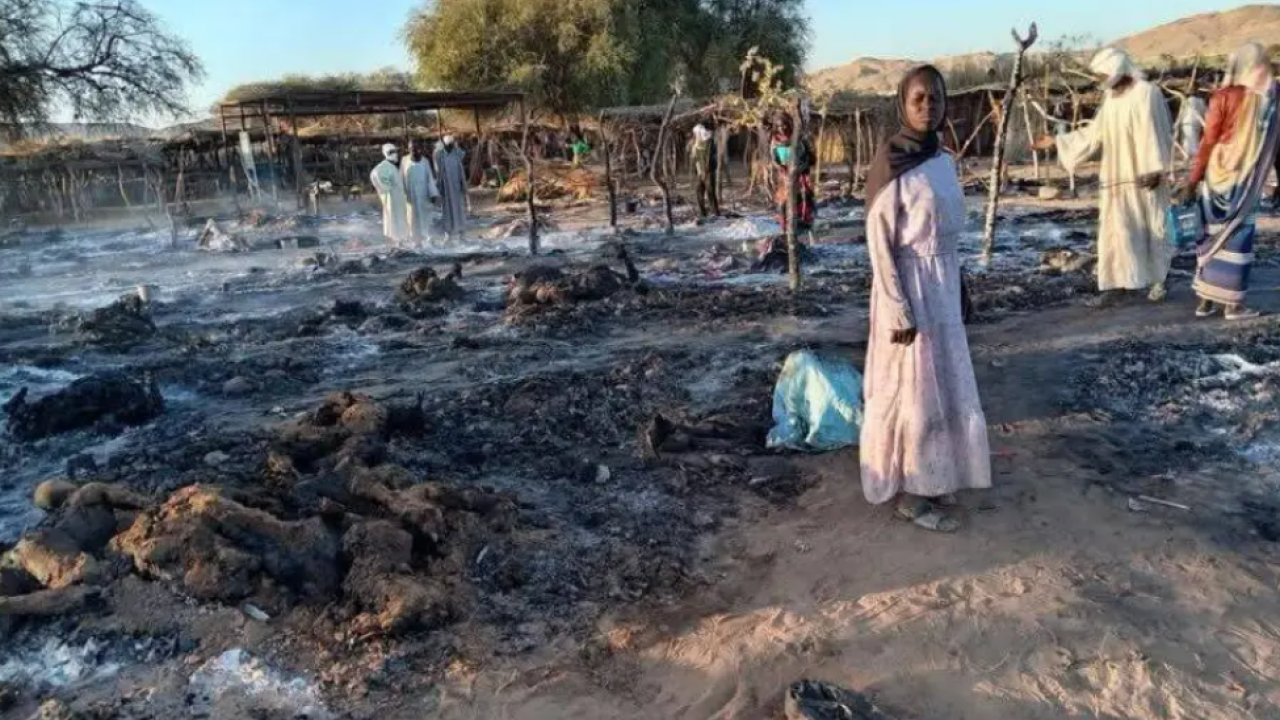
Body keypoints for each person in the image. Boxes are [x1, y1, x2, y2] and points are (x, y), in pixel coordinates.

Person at [860, 65, 991, 533]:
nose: (927, 106)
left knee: (944, 387)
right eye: (918, 99)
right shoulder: (891, 164)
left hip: (941, 287)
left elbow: (948, 236)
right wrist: (898, 307)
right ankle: (912, 496)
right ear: (903, 103)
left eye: (934, 98)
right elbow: (879, 243)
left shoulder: (943, 159)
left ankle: (936, 475)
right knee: (914, 392)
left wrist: (960, 287)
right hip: (909, 291)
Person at [1037, 47, 1175, 307]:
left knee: (1152, 228)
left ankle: (1159, 280)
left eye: (1102, 75)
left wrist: (1156, 169)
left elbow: (1157, 133)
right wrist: (1056, 141)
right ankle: (1118, 284)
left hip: (1145, 177)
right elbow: (1094, 134)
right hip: (1116, 177)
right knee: (1118, 231)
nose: (1101, 81)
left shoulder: (1147, 93)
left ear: (1116, 68)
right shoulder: (1111, 99)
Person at [1176, 43, 1280, 321]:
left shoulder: (1222, 97)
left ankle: (1205, 302)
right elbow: (1276, 144)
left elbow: (1208, 141)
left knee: (1211, 235)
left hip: (1215, 179)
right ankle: (1233, 305)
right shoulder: (1273, 98)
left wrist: (1192, 181)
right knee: (1238, 239)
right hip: (1247, 182)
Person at [770, 114, 815, 239]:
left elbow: (806, 158)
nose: (782, 128)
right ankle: (785, 226)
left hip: (799, 174)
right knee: (782, 202)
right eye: (779, 126)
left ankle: (805, 221)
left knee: (804, 196)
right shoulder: (775, 140)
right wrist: (781, 168)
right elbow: (774, 159)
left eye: (784, 125)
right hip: (784, 176)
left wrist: (797, 170)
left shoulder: (797, 139)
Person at [401, 140, 439, 246]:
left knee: (425, 216)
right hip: (410, 195)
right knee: (412, 218)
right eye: (411, 148)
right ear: (408, 149)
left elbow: (430, 178)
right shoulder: (404, 160)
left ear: (420, 149)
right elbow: (401, 178)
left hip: (423, 194)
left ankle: (427, 237)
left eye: (415, 148)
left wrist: (433, 193)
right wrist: (402, 194)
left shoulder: (425, 161)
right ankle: (415, 240)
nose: (413, 150)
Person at [369, 143, 409, 245]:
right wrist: (386, 187)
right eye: (391, 152)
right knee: (394, 220)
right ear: (386, 154)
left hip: (399, 198)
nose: (395, 154)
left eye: (395, 151)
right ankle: (397, 241)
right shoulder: (383, 166)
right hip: (392, 199)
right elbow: (375, 175)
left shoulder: (392, 166)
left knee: (400, 218)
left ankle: (401, 241)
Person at [434, 135, 468, 243]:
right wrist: (440, 146)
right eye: (448, 145)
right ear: (444, 145)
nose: (450, 147)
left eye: (451, 144)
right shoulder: (440, 155)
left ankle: (462, 235)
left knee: (459, 211)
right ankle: (448, 235)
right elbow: (435, 155)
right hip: (446, 189)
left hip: (457, 188)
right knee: (447, 212)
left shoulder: (457, 153)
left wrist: (456, 144)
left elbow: (463, 153)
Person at [691, 122, 720, 218]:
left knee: (710, 193)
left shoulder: (709, 142)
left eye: (697, 133)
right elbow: (694, 159)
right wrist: (695, 172)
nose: (696, 135)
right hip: (699, 173)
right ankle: (703, 214)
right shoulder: (696, 144)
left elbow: (708, 158)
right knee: (699, 193)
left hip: (708, 172)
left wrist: (705, 171)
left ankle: (716, 213)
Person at [1178, 92, 1209, 160]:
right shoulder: (1201, 101)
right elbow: (1205, 112)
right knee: (1193, 141)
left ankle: (1190, 158)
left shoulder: (1188, 100)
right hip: (1195, 123)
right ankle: (1191, 158)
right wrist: (1204, 123)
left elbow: (1182, 112)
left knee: (1188, 141)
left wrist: (1179, 122)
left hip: (1187, 122)